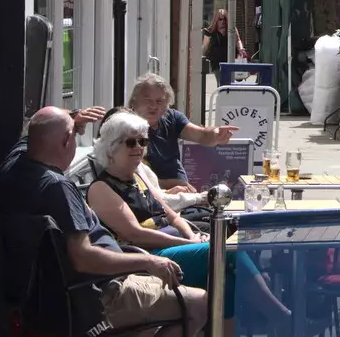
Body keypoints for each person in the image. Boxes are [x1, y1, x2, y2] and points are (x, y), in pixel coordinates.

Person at [0, 107, 209, 336]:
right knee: (200, 303)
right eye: (75, 134)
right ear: (66, 140)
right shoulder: (58, 188)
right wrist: (147, 262)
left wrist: (69, 120)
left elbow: (34, 134)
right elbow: (83, 257)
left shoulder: (15, 167)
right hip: (103, 294)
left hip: (59, 297)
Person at [82, 110, 289, 328]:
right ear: (111, 148)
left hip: (175, 245)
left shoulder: (137, 177)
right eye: (131, 143)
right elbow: (135, 234)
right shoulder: (102, 188)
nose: (139, 148)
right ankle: (280, 315)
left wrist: (191, 233)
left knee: (226, 280)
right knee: (224, 250)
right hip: (150, 258)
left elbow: (170, 214)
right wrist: (188, 243)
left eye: (143, 141)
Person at [127, 73, 235, 191]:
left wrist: (216, 134)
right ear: (134, 101)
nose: (153, 106)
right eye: (147, 100)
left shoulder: (172, 118)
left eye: (159, 101)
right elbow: (128, 176)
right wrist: (169, 185)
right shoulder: (124, 125)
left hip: (180, 189)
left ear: (167, 104)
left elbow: (202, 135)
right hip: (145, 192)